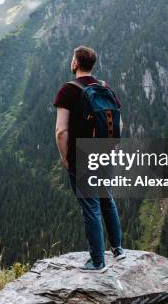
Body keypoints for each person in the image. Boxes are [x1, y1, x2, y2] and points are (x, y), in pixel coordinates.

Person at [53, 45, 126, 272]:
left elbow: (61, 131)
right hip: (105, 151)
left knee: (90, 207)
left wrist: (65, 157)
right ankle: (118, 249)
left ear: (75, 63)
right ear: (92, 65)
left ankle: (97, 261)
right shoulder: (105, 88)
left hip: (82, 155)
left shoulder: (68, 90)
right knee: (107, 199)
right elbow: (119, 123)